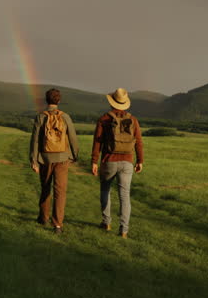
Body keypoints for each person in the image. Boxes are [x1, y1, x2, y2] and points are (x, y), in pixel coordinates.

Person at [91, 88, 144, 238]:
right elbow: (139, 142)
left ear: (112, 102)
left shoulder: (104, 119)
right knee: (124, 195)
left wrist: (94, 161)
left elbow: (97, 142)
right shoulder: (133, 120)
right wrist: (140, 160)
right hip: (127, 161)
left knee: (105, 190)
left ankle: (106, 222)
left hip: (109, 160)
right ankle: (124, 230)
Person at [29, 88, 79, 234]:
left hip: (45, 159)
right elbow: (73, 138)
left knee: (45, 188)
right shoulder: (65, 117)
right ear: (59, 100)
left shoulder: (40, 117)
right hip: (62, 159)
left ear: (46, 100)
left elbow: (35, 141)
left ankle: (43, 218)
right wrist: (74, 155)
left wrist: (34, 160)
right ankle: (57, 225)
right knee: (60, 192)